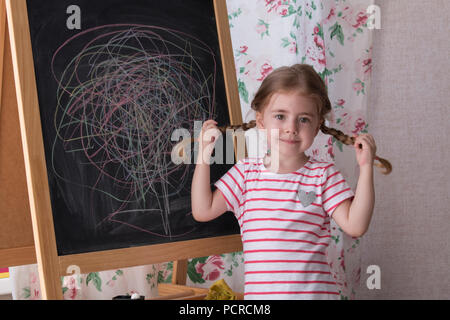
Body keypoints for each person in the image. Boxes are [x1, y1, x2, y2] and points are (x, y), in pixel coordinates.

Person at [190, 63, 389, 300]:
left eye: (303, 119)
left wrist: (366, 168)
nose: (291, 128)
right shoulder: (245, 175)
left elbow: (356, 225)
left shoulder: (323, 176)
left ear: (317, 127)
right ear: (261, 121)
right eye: (280, 116)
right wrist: (204, 155)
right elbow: (203, 210)